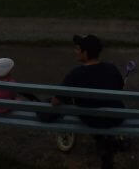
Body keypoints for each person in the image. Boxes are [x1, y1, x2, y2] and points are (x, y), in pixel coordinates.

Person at [51, 34, 124, 169]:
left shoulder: (76, 74)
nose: (75, 51)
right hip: (114, 118)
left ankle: (101, 140)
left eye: (78, 49)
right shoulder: (111, 68)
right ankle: (105, 142)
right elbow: (119, 88)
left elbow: (56, 101)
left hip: (91, 119)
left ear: (85, 53)